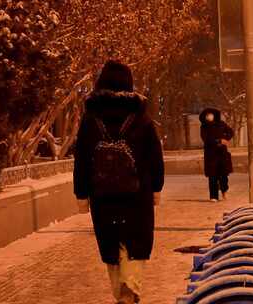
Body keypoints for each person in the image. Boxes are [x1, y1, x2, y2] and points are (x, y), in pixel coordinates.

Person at [73, 60, 164, 304]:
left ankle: (119, 292)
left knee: (111, 243)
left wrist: (81, 194)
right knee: (136, 240)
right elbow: (155, 155)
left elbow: (81, 157)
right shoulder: (141, 117)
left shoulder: (91, 118)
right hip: (137, 192)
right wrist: (156, 187)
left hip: (102, 193)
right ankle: (130, 288)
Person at [200, 108, 234, 202]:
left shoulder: (222, 124)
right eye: (207, 115)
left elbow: (231, 132)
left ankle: (224, 190)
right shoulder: (204, 127)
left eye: (210, 114)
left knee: (223, 175)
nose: (209, 116)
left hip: (222, 153)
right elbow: (206, 139)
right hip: (210, 154)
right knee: (212, 176)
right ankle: (213, 196)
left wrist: (225, 139)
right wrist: (219, 141)